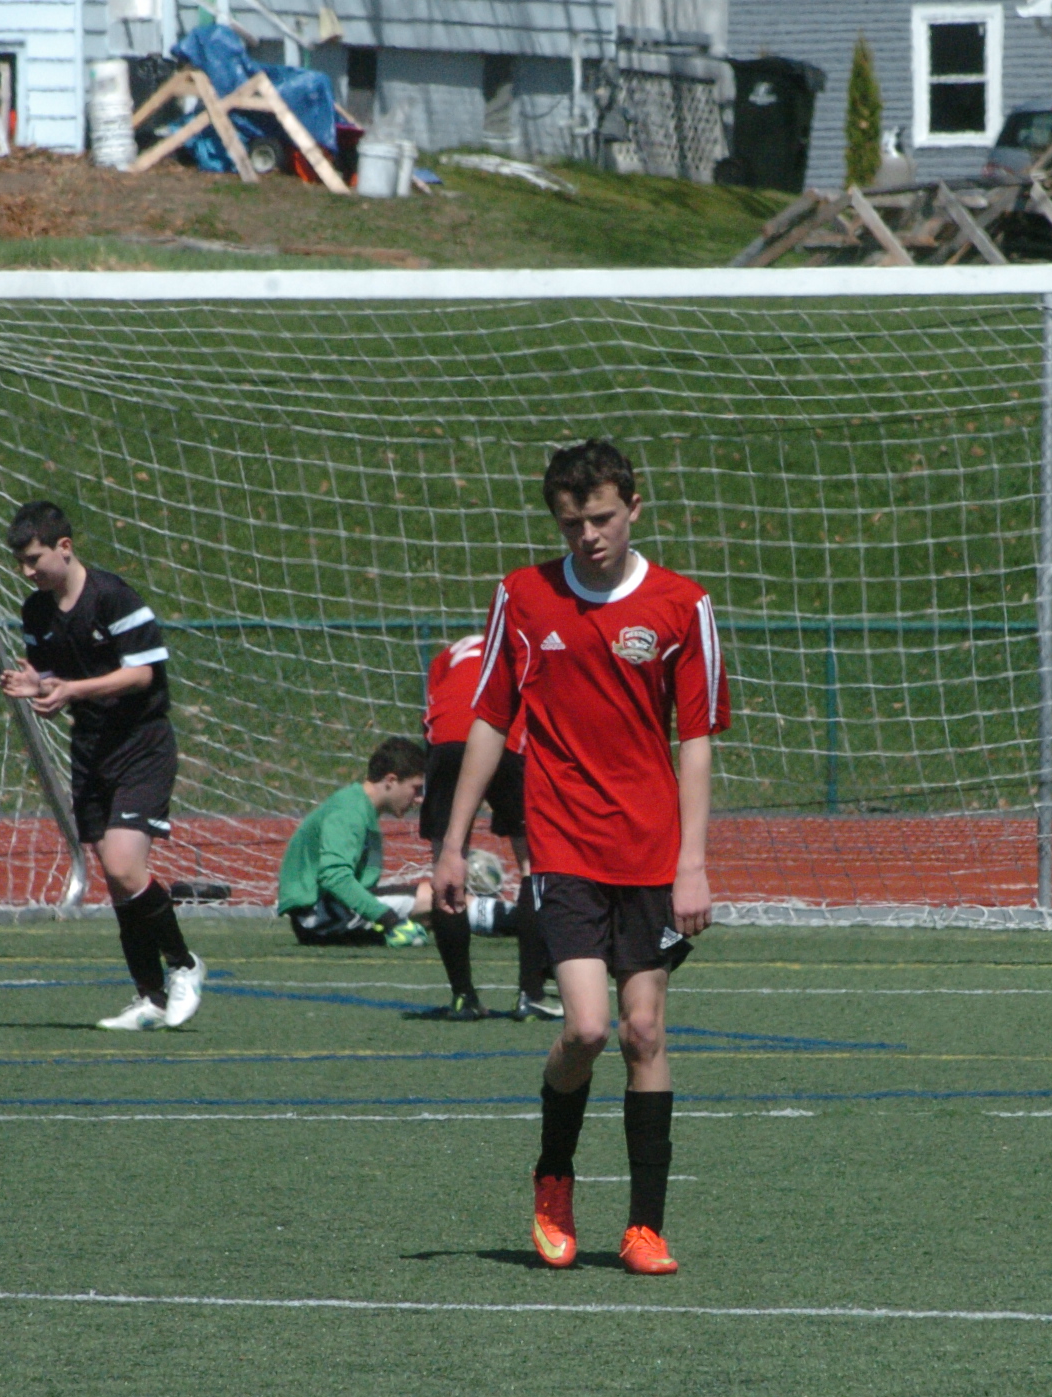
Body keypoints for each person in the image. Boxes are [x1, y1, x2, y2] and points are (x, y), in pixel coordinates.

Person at [431, 440, 727, 1276]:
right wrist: (452, 844)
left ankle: (645, 1228)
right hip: (562, 843)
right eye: (571, 524)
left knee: (645, 1030)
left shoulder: (683, 606)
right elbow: (490, 720)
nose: (588, 536)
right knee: (589, 1028)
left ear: (634, 507)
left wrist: (694, 862)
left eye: (600, 518)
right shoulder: (522, 597)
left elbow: (696, 740)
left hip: (651, 850)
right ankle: (554, 1176)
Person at [0, 502, 205, 1032]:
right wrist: (38, 688)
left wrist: (69, 690)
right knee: (117, 884)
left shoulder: (112, 596)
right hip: (91, 750)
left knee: (123, 866)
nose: (27, 571)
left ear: (64, 547)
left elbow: (142, 674)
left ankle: (184, 964)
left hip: (141, 746)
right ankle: (150, 997)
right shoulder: (36, 612)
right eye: (20, 562)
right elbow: (56, 684)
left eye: (35, 559)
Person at [411, 632, 556, 1021]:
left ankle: (463, 997)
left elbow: (433, 709)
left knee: (447, 862)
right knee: (533, 865)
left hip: (448, 741)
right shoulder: (528, 646)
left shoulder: (448, 655)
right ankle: (531, 995)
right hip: (507, 739)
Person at [277, 737, 440, 947]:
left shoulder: (362, 808)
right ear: (391, 780)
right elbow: (334, 876)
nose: (419, 799)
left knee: (435, 912)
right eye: (415, 788)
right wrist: (387, 919)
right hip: (318, 916)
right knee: (440, 898)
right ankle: (487, 917)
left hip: (324, 913)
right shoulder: (349, 811)